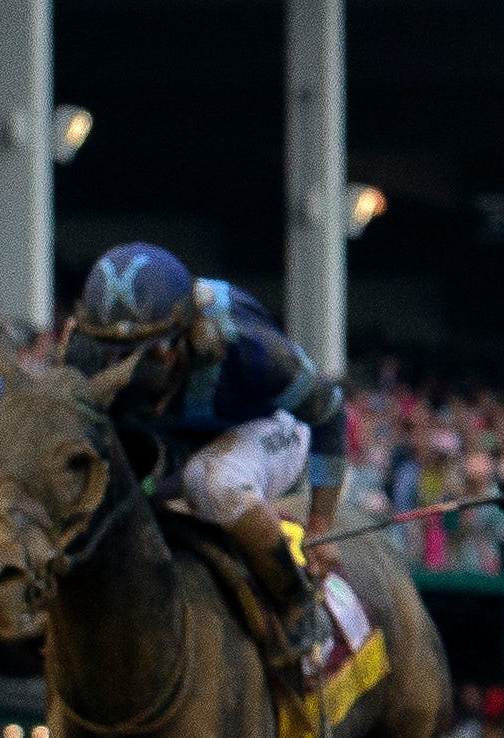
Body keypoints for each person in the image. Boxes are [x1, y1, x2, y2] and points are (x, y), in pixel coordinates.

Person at [60, 242, 354, 671]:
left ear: (182, 337)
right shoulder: (85, 352)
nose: (122, 367)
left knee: (211, 478)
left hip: (267, 429)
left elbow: (328, 412)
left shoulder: (252, 349)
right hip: (170, 442)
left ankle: (297, 609)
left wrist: (320, 525)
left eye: (143, 352)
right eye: (111, 352)